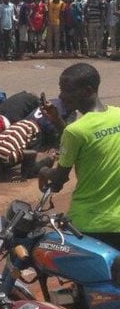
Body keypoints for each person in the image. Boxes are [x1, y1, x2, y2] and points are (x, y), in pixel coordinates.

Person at [39, 63, 120, 250]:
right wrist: (57, 120)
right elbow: (86, 142)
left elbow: (59, 180)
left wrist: (43, 171)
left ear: (87, 90)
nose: (60, 96)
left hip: (90, 223)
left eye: (67, 90)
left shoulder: (77, 130)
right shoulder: (117, 115)